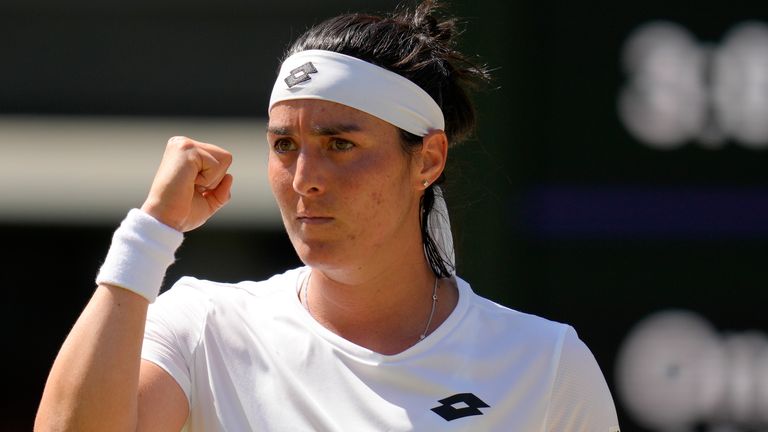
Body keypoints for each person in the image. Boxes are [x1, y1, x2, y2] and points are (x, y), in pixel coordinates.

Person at [35, 1, 620, 430]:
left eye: (340, 144)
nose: (303, 178)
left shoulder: (545, 363)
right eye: (285, 145)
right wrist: (149, 233)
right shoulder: (202, 326)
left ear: (429, 159)